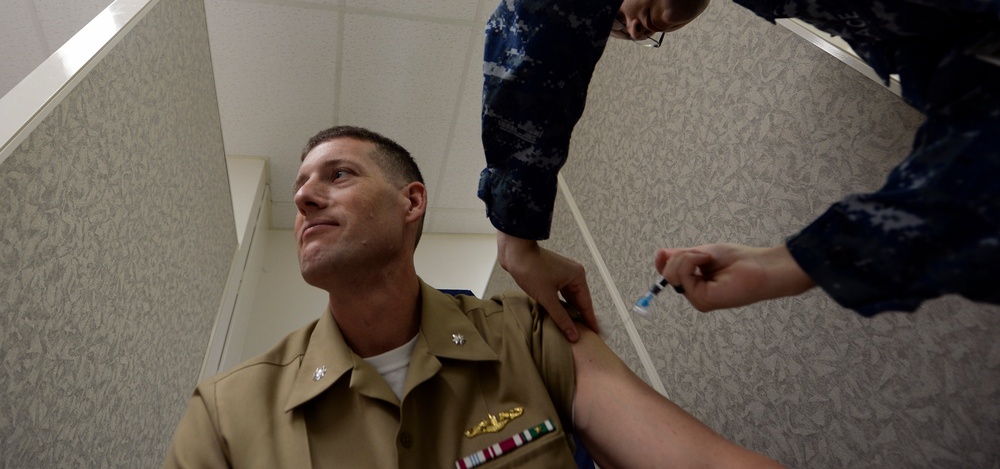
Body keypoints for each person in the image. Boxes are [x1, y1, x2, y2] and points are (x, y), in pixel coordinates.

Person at [480, 0, 1000, 334]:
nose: (632, 29)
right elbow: (976, 134)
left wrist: (516, 236)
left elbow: (549, 1)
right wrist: (788, 265)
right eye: (632, 36)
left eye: (611, 13)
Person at [163, 125, 783, 468]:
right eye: (300, 186)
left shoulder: (527, 332)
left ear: (411, 201)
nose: (302, 198)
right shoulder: (225, 412)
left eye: (339, 174)